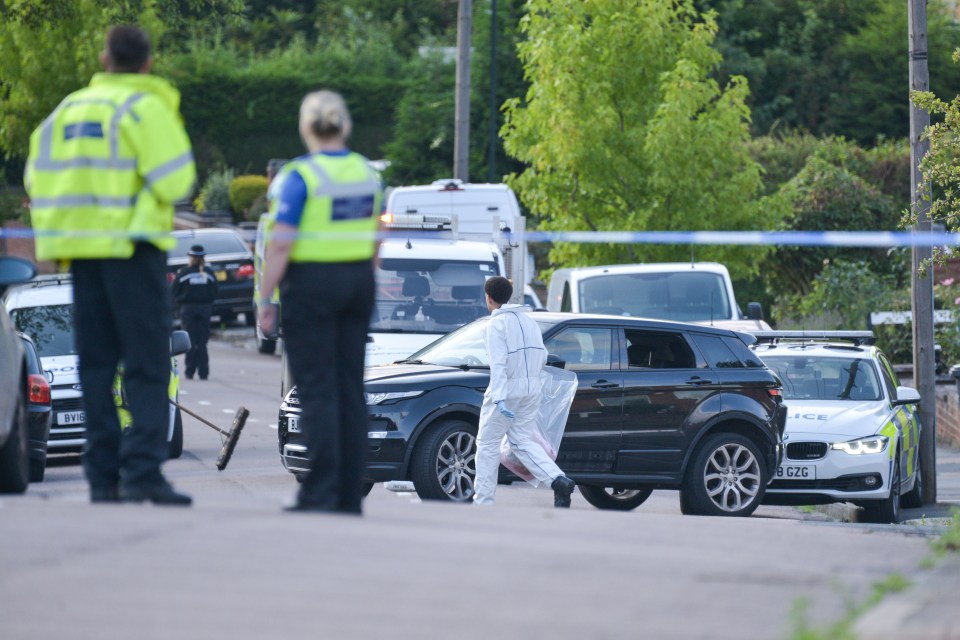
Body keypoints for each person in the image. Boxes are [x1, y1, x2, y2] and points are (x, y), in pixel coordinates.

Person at [25, 25, 195, 505]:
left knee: (95, 366)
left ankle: (102, 479)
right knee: (145, 364)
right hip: (133, 250)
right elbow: (177, 180)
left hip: (82, 254)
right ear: (147, 63)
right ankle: (143, 472)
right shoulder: (144, 108)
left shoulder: (66, 111)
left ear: (104, 59)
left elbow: (34, 176)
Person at [258, 90, 383, 515]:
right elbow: (374, 242)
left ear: (306, 128)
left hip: (311, 286)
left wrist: (265, 297)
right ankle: (349, 494)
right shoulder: (367, 174)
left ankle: (319, 490)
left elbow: (280, 244)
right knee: (350, 389)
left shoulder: (298, 176)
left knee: (316, 390)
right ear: (344, 125)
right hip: (356, 282)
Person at [474, 276, 576, 507]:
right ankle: (557, 479)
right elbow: (541, 355)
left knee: (487, 444)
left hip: (507, 390)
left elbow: (498, 364)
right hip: (531, 389)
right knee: (521, 440)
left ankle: (483, 502)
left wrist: (499, 397)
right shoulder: (528, 321)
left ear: (488, 298)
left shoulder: (495, 325)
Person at [172, 244, 217, 380]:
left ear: (190, 258)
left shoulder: (183, 273)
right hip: (205, 309)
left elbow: (173, 291)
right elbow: (215, 291)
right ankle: (204, 372)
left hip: (188, 310)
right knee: (202, 342)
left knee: (189, 341)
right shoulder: (209, 274)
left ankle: (189, 371)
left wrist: (176, 307)